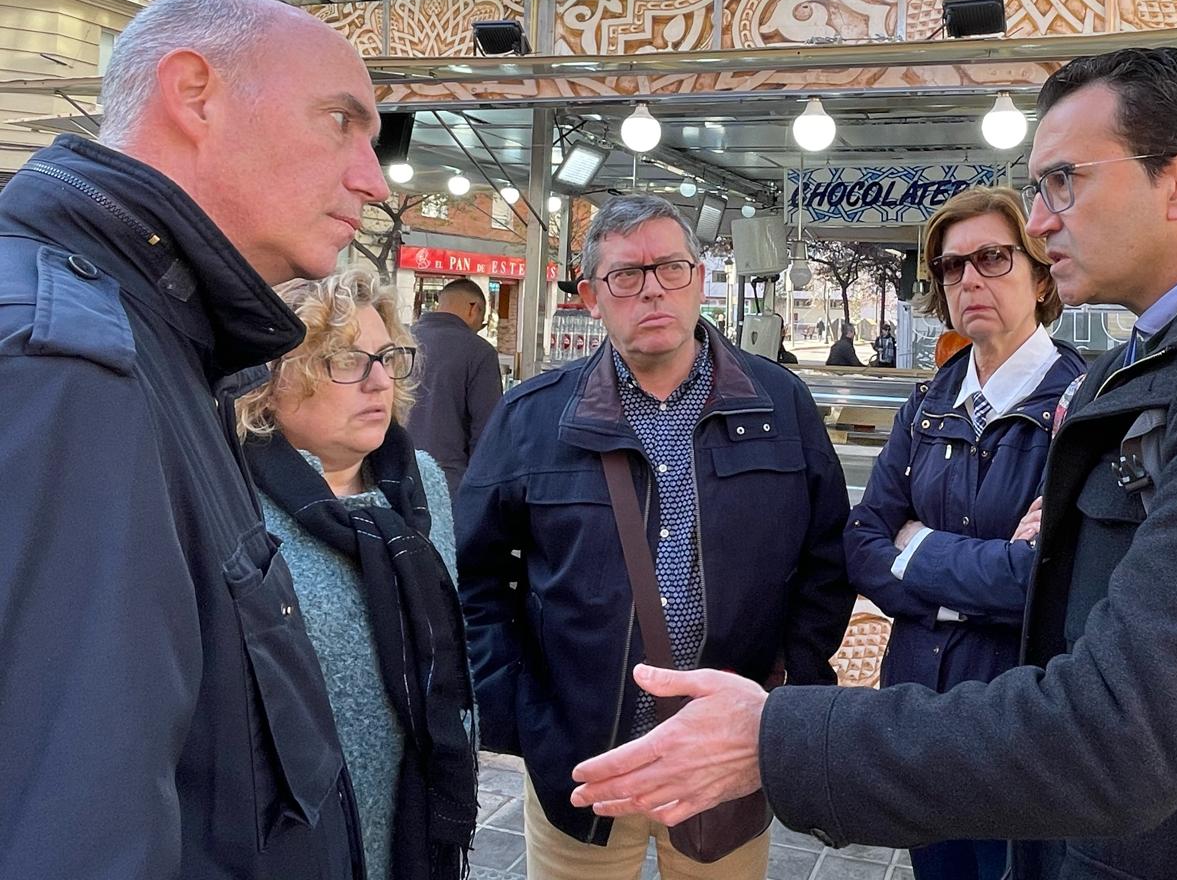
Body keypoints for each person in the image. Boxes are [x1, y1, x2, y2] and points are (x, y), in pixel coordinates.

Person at [568, 48, 1177, 880]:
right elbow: (869, 542)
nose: (1038, 221)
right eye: (1033, 192)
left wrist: (776, 736)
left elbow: (1120, 727)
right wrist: (964, 565)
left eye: (1063, 181)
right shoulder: (1151, 372)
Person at [0, 0, 388, 878]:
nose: (372, 178)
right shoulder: (69, 365)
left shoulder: (156, 339)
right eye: (341, 122)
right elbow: (69, 824)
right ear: (194, 93)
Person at [455, 194, 854, 880]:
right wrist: (519, 709)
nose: (652, 291)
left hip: (724, 761)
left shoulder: (778, 402)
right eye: (626, 275)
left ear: (700, 279)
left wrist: (788, 693)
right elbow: (474, 577)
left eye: (670, 268)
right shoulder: (531, 418)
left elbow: (826, 560)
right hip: (582, 763)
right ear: (590, 295)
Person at [846, 187, 1084, 880]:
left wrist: (914, 547)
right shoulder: (926, 405)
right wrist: (987, 570)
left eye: (992, 258)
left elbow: (1049, 578)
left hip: (1025, 717)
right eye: (951, 267)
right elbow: (862, 544)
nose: (968, 279)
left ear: (1041, 276)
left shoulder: (1085, 408)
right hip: (919, 708)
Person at [236, 270, 477, 880]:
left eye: (386, 356)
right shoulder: (231, 501)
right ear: (270, 381)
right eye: (345, 359)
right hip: (289, 828)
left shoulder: (419, 484)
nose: (378, 380)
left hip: (415, 808)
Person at [409, 276, 504, 493]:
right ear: (474, 308)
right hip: (449, 482)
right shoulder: (479, 352)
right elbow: (487, 431)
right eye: (481, 323)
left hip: (394, 475)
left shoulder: (400, 341)